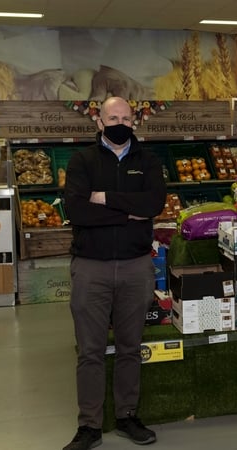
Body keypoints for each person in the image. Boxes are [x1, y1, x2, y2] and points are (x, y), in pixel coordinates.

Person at [63, 96, 166, 449]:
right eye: (112, 117)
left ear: (134, 120)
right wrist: (128, 212)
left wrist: (104, 198)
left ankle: (127, 416)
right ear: (99, 122)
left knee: (129, 347)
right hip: (91, 268)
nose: (119, 122)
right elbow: (77, 212)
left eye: (125, 117)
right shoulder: (82, 161)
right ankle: (89, 425)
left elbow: (153, 204)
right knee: (90, 350)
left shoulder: (148, 161)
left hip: (137, 267)